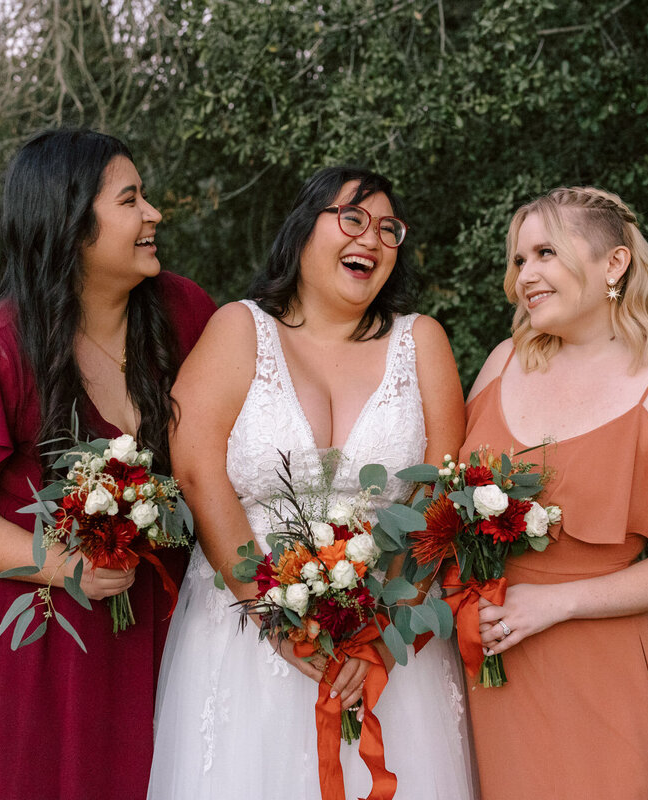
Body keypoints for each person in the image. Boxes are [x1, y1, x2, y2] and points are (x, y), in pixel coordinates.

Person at [0, 128, 217, 800]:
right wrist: (65, 563)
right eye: (131, 199)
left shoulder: (183, 315)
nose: (153, 214)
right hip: (46, 647)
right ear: (71, 223)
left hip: (167, 627)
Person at [148, 167, 475, 799]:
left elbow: (437, 495)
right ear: (303, 230)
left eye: (389, 229)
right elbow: (195, 467)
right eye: (352, 218)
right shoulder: (240, 329)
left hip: (386, 634)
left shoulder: (422, 341)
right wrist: (274, 618)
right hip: (248, 632)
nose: (372, 238)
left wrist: (377, 632)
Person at [461, 186, 648, 799]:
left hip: (594, 670)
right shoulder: (504, 363)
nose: (526, 274)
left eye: (546, 252)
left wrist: (555, 603)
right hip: (480, 663)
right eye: (519, 259)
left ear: (614, 263)